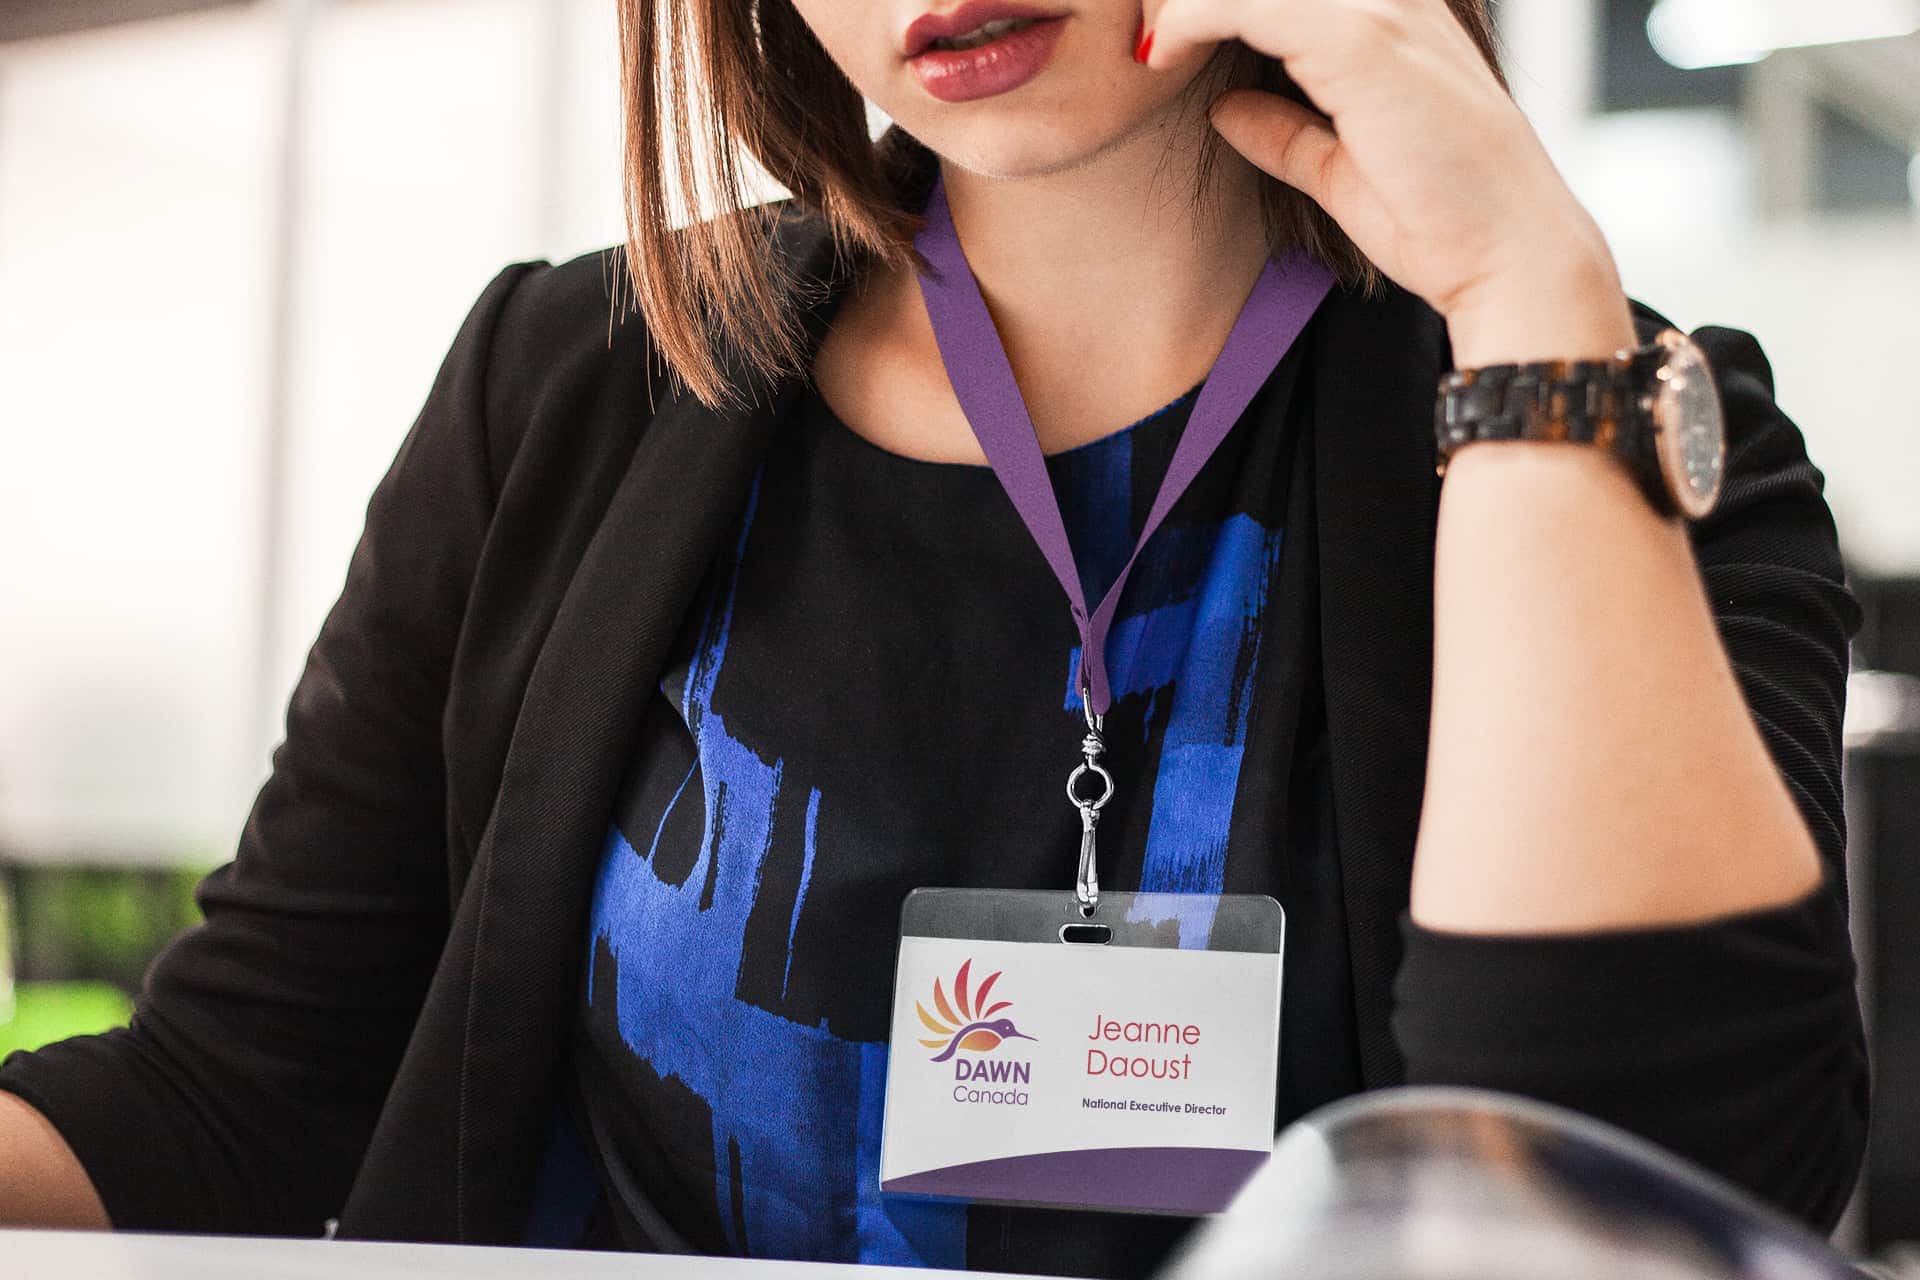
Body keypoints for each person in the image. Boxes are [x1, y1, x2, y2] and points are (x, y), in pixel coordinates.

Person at [0, 0, 1867, 1275]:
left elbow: (1640, 1207)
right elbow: (232, 1096)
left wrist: (1526, 303)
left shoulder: (1600, 421)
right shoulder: (574, 388)